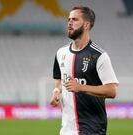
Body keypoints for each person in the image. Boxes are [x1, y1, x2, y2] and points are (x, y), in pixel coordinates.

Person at [50, 6, 119, 135]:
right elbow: (59, 77)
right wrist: (56, 90)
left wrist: (81, 87)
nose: (70, 22)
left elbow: (112, 90)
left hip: (91, 129)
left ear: (86, 25)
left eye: (75, 19)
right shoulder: (61, 53)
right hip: (66, 129)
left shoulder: (99, 56)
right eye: (68, 19)